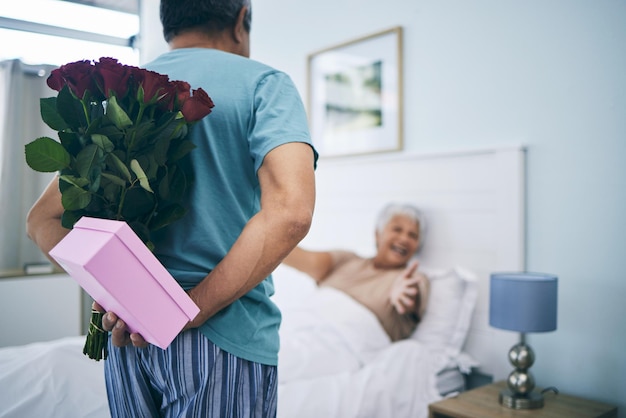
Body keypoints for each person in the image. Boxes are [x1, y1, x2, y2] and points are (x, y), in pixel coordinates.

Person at [26, 0, 317, 416]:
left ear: (167, 21)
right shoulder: (265, 84)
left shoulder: (125, 94)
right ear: (240, 20)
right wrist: (190, 310)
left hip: (128, 339)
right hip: (223, 336)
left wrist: (123, 298)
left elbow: (41, 221)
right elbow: (291, 211)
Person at [282, 203, 429, 342]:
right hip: (300, 327)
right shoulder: (346, 260)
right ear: (378, 234)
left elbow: (411, 299)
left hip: (344, 344)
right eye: (397, 229)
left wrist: (405, 297)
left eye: (413, 236)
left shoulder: (413, 278)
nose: (404, 239)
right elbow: (297, 256)